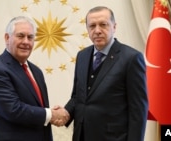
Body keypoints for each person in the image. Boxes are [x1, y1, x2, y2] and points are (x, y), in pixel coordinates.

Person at [62, 6, 148, 141]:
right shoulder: (82, 56)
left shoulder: (131, 58)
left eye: (103, 25)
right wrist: (65, 112)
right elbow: (78, 96)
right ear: (87, 29)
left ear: (114, 26)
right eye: (92, 26)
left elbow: (138, 110)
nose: (97, 31)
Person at [0, 16, 69, 141]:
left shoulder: (36, 71)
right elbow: (13, 110)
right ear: (7, 38)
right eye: (20, 36)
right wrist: (51, 114)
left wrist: (51, 114)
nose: (26, 42)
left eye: (30, 37)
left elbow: (38, 110)